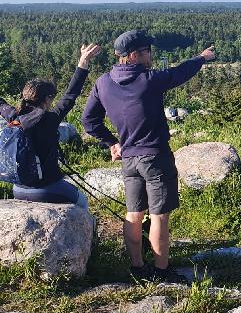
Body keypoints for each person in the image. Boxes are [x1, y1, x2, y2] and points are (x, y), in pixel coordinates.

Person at [82, 30, 216, 281]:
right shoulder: (149, 79)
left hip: (129, 159)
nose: (151, 56)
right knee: (159, 216)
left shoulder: (103, 82)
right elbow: (180, 73)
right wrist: (202, 57)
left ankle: (137, 267)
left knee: (133, 214)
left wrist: (113, 142)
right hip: (155, 156)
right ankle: (162, 271)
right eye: (147, 51)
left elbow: (89, 121)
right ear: (134, 55)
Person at [1, 44, 102, 208]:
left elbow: (1, 103)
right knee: (82, 201)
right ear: (47, 99)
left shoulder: (14, 117)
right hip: (46, 187)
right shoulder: (49, 119)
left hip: (17, 188)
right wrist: (83, 61)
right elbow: (71, 94)